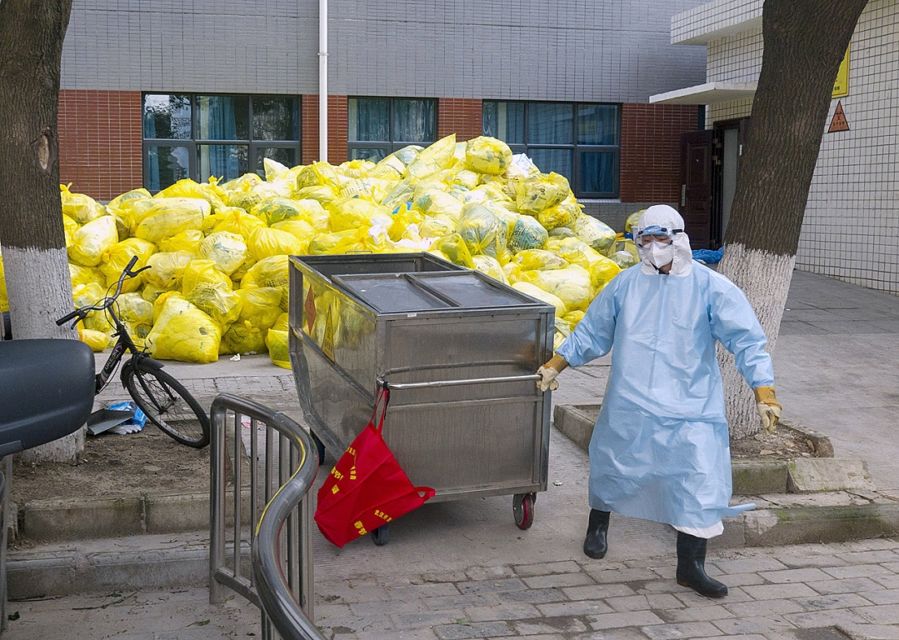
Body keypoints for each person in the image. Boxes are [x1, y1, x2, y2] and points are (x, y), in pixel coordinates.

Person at [536, 205, 782, 599]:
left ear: (680, 238)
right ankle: (598, 525)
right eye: (644, 241)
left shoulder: (710, 287)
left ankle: (691, 566)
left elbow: (747, 339)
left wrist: (763, 389)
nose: (653, 249)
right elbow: (593, 331)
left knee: (698, 480)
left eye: (660, 239)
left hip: (691, 406)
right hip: (631, 400)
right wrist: (556, 364)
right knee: (615, 463)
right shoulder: (626, 285)